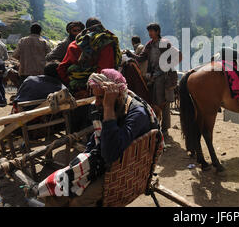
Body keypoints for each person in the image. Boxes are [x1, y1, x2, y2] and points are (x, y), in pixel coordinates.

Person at [42, 69, 159, 207]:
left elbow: (110, 154)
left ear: (117, 95)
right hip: (101, 162)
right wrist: (82, 164)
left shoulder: (137, 114)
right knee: (53, 193)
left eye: (101, 97)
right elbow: (95, 142)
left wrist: (108, 107)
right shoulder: (105, 107)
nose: (97, 102)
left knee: (78, 203)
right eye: (96, 97)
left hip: (122, 170)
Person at [128, 23, 182, 138]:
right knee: (154, 101)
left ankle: (165, 128)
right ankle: (156, 125)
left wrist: (168, 67)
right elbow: (141, 58)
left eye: (152, 31)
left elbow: (179, 55)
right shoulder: (149, 45)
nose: (150, 33)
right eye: (149, 31)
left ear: (157, 31)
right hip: (153, 76)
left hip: (165, 77)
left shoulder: (164, 43)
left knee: (164, 102)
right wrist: (131, 55)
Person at [57, 18, 122, 95]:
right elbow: (106, 71)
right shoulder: (107, 43)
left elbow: (61, 68)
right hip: (101, 91)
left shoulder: (74, 44)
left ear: (86, 29)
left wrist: (72, 84)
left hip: (78, 90)